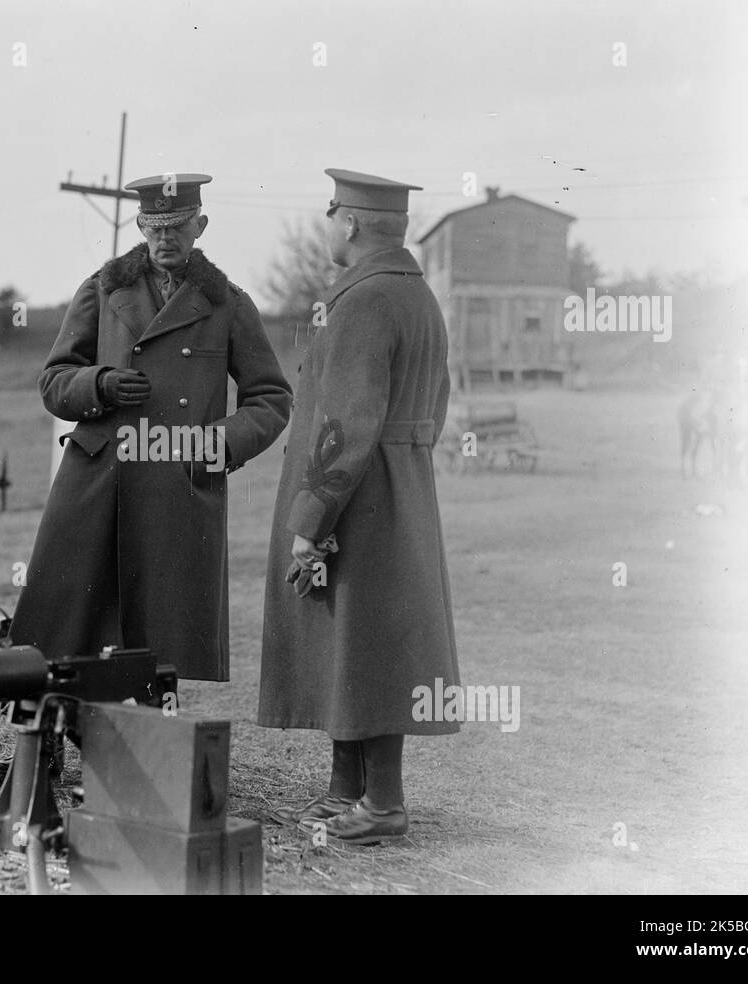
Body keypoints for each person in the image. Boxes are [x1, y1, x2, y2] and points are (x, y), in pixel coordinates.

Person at [10, 172, 291, 685]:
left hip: (178, 480)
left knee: (162, 636)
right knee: (71, 626)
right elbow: (53, 382)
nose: (166, 239)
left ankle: (151, 734)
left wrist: (221, 441)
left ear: (200, 225)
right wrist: (99, 384)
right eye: (155, 227)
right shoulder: (103, 289)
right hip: (98, 481)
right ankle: (51, 736)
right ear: (140, 224)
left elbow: (271, 397)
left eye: (178, 227)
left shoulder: (228, 303)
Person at [258, 168, 460, 844]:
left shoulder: (363, 300)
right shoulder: (415, 295)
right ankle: (346, 791)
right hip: (399, 487)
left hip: (359, 494)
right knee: (353, 641)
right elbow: (434, 402)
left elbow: (343, 423)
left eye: (330, 214)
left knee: (369, 647)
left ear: (348, 222)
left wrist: (309, 525)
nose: (326, 224)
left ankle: (383, 804)